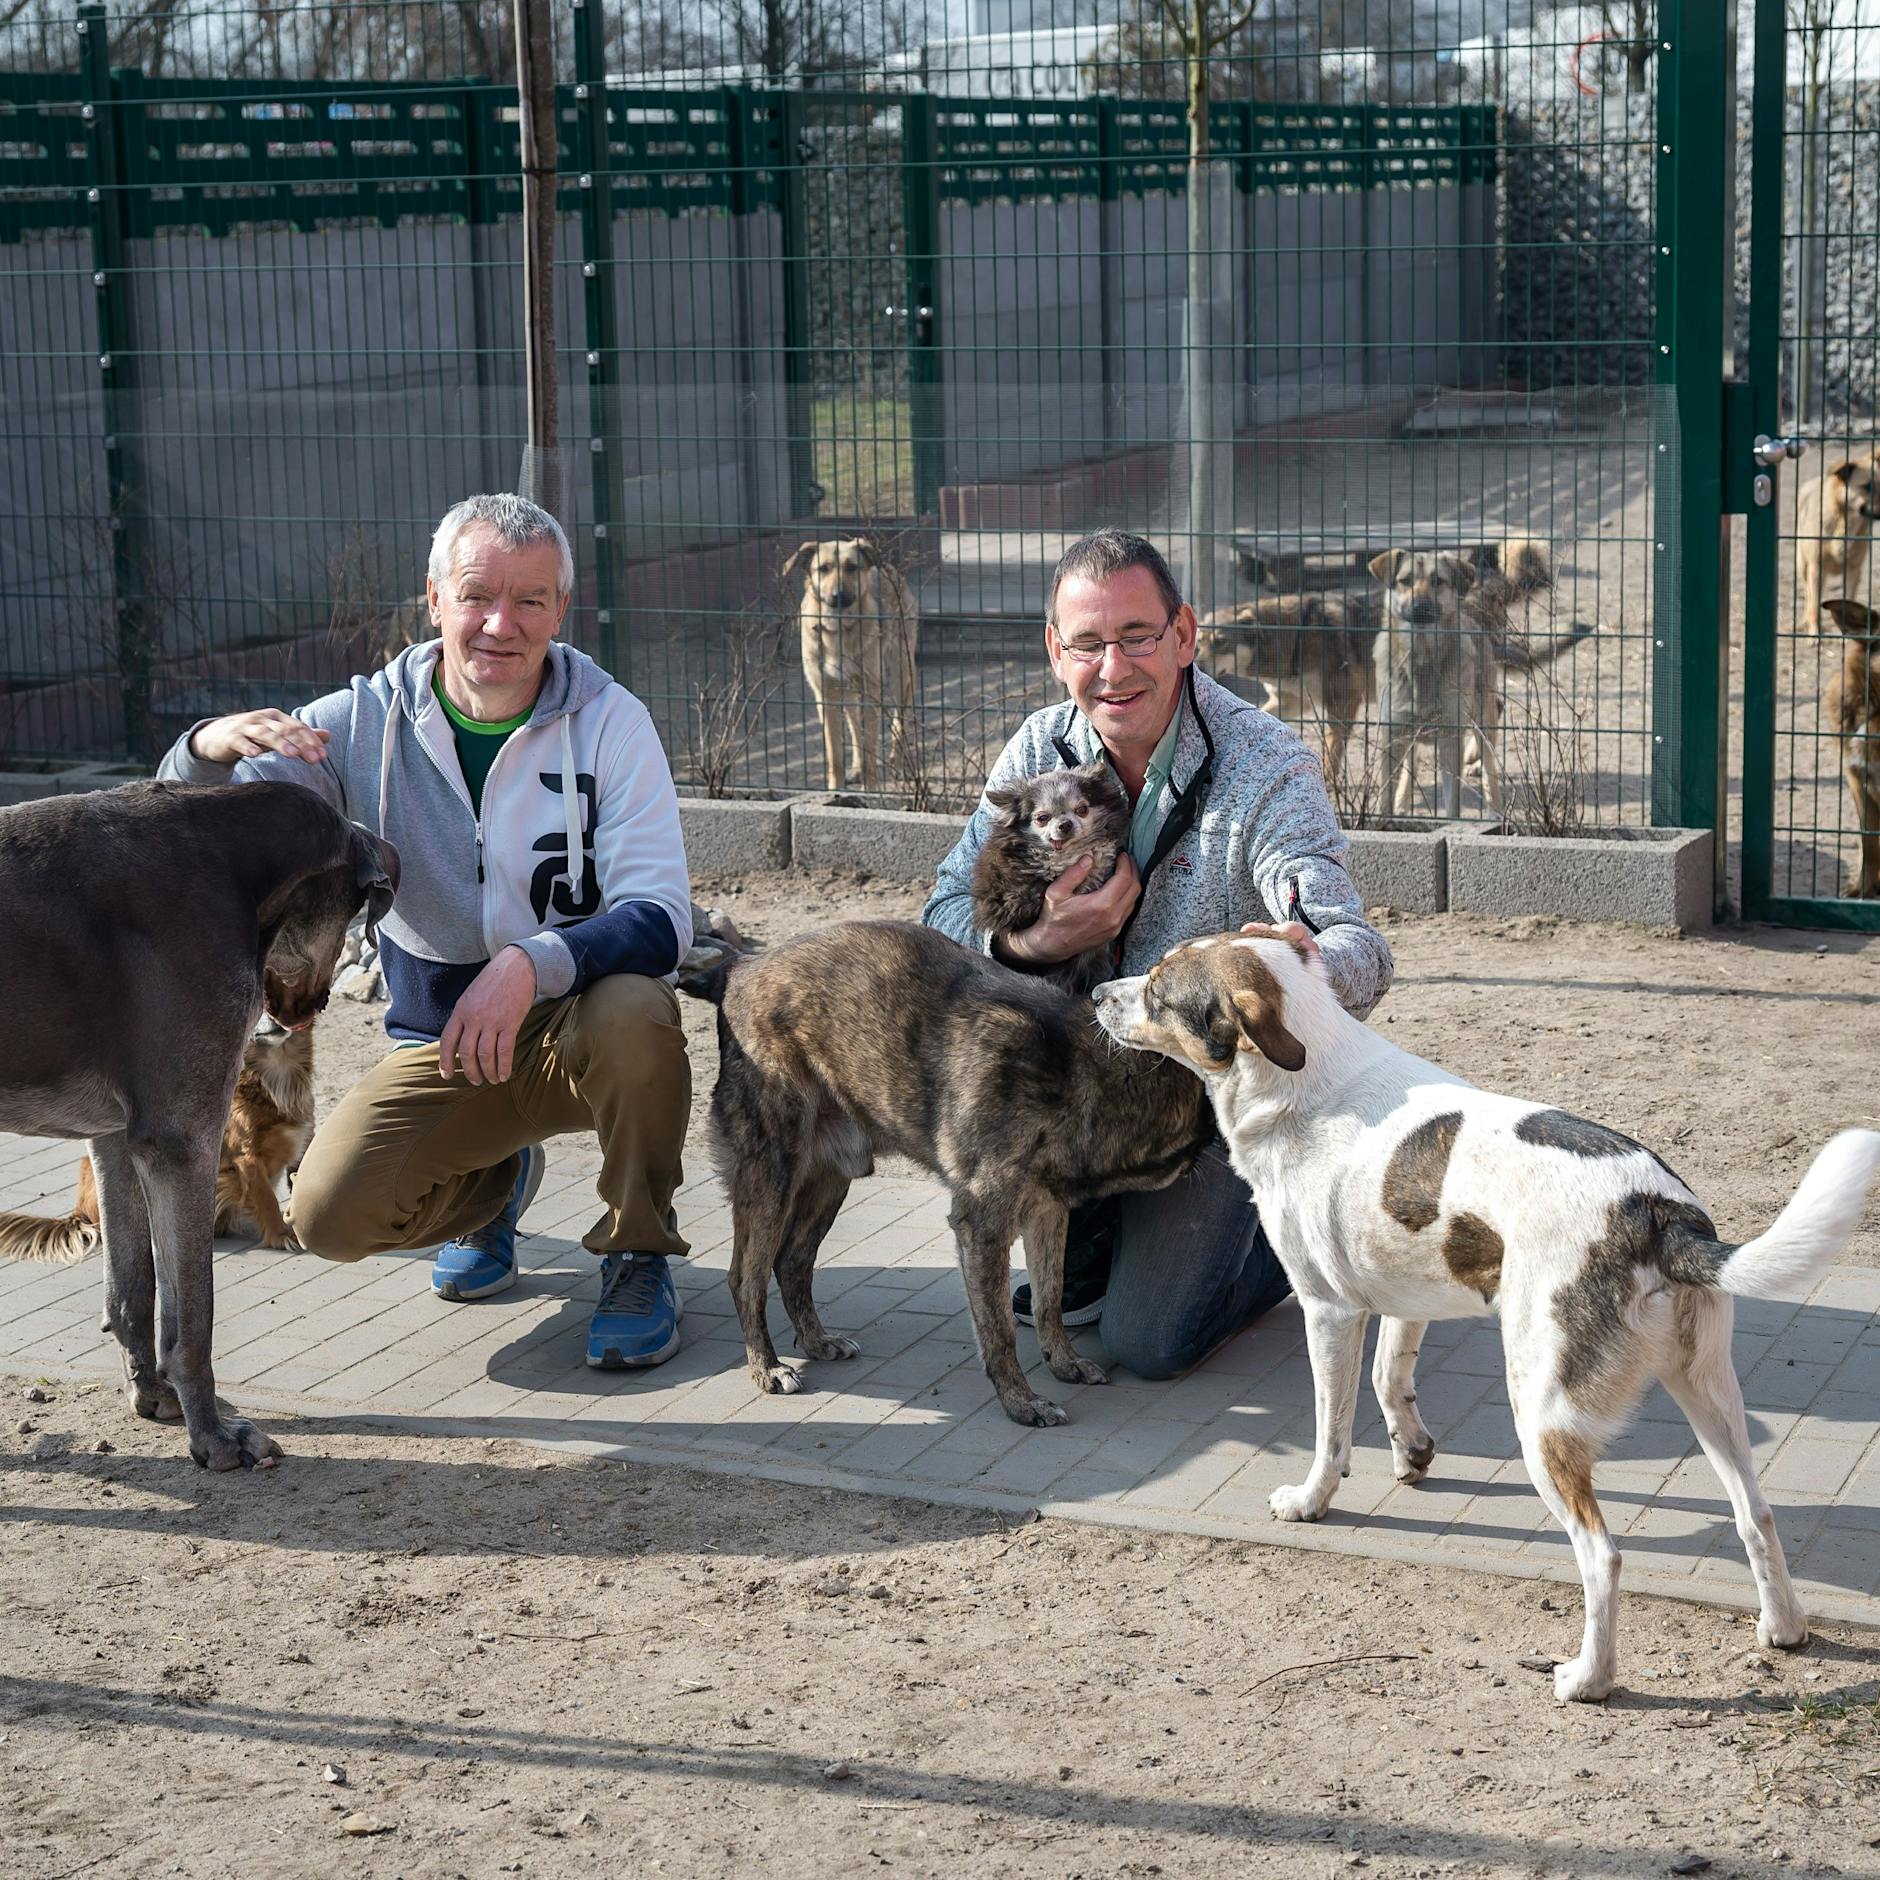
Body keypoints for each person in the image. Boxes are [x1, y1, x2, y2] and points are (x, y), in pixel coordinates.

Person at [158, 492, 695, 1370]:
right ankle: (491, 1191)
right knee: (327, 1216)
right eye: (477, 594)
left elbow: (661, 918)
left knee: (639, 1008)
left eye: (530, 600)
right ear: (435, 599)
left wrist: (531, 961)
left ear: (561, 611)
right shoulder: (357, 723)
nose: (500, 623)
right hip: (444, 1041)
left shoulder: (610, 720)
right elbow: (206, 828)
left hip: (581, 1027)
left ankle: (638, 1248)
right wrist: (204, 749)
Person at [922, 527, 1394, 1378]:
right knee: (1066, 1294)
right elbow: (943, 911)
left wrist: (1305, 959)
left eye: (1137, 637)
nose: (1114, 669)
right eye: (1089, 645)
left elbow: (1356, 942)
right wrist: (1030, 942)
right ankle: (1115, 1239)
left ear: (1184, 634)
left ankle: (1290, 1242)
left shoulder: (1265, 763)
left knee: (1148, 1344)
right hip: (1082, 1085)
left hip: (1213, 1103)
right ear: (1054, 651)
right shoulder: (1039, 750)